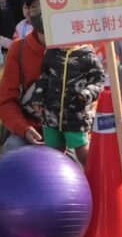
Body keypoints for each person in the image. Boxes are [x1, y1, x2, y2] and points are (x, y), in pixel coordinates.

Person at [24, 34, 106, 165]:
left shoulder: (87, 56)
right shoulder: (52, 53)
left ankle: (92, 178)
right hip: (51, 114)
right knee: (53, 153)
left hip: (76, 115)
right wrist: (38, 97)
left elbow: (99, 81)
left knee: (82, 150)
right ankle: (56, 180)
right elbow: (44, 77)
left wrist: (86, 94)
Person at [0, 0, 49, 152]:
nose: (40, 12)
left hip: (69, 132)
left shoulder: (77, 48)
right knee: (13, 151)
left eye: (45, 6)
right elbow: (5, 100)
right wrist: (23, 129)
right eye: (34, 8)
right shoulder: (19, 49)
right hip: (30, 128)